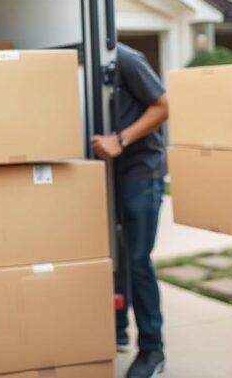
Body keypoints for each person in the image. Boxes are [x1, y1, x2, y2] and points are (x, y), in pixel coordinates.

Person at [91, 43, 169, 378]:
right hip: (109, 172)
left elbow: (164, 105)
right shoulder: (83, 57)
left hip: (141, 170)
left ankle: (153, 350)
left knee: (138, 259)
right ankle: (119, 325)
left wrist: (120, 140)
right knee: (116, 252)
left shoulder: (126, 57)